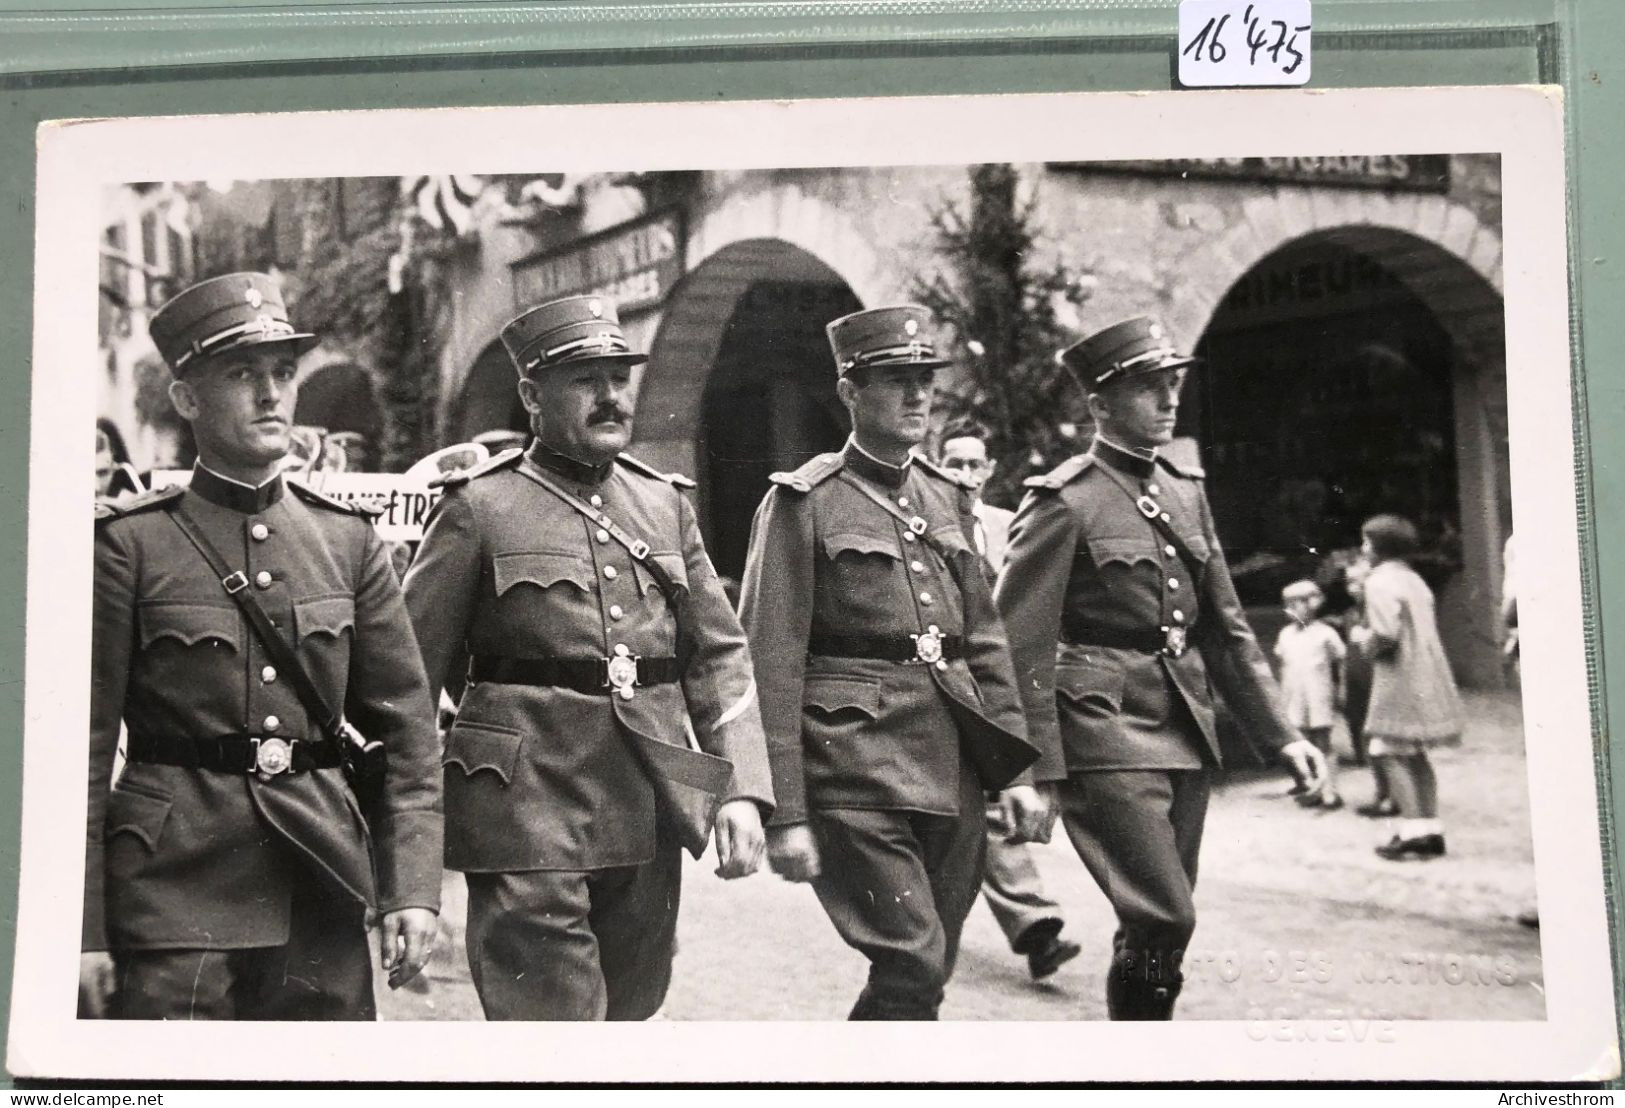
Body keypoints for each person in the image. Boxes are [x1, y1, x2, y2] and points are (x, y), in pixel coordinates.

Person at [82, 272, 443, 1020]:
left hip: (318, 880)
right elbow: (81, 753)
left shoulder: (346, 542)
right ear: (187, 399)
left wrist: (411, 889)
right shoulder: (130, 545)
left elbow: (407, 733)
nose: (272, 395)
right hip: (172, 894)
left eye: (282, 373)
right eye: (242, 375)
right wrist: (82, 928)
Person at [403, 294, 773, 1021]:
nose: (610, 396)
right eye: (585, 379)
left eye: (618, 377)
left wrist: (741, 787)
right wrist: (405, 854)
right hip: (523, 808)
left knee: (631, 1012)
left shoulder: (662, 504)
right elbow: (410, 676)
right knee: (555, 1028)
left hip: (644, 802)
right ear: (532, 397)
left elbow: (718, 655)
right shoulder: (477, 507)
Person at [996, 316, 1327, 1020]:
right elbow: (1015, 646)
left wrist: (1284, 736)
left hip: (1182, 723)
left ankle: (1138, 1053)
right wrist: (1027, 773)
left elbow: (1227, 630)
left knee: (1155, 926)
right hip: (1101, 727)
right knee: (1166, 914)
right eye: (1149, 388)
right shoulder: (1065, 500)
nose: (1168, 400)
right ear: (1099, 405)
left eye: (1172, 383)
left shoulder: (1184, 489)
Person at [738, 305, 1049, 1021]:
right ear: (850, 392)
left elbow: (986, 643)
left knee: (925, 969)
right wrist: (783, 812)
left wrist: (1019, 775)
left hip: (951, 768)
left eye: (924, 381)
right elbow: (770, 663)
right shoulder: (804, 502)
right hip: (851, 767)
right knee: (910, 955)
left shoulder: (947, 495)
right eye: (895, 381)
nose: (916, 397)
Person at [938, 425, 1082, 981]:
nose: (966, 476)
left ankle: (1031, 923)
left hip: (1006, 682)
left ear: (991, 469)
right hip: (950, 682)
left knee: (991, 800)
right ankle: (1031, 921)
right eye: (955, 463)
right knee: (974, 801)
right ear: (938, 462)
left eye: (976, 465)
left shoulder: (1007, 526)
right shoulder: (926, 526)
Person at [1349, 513, 1464, 861]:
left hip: (1399, 675)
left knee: (1388, 750)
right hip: (1425, 672)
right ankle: (1431, 828)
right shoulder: (1414, 579)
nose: (1363, 548)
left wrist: (1359, 637)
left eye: (1366, 542)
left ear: (1379, 548)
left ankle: (1412, 829)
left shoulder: (1379, 582)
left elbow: (1384, 635)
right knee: (1415, 754)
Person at [1275, 579, 1347, 811]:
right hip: (1293, 698)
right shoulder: (1285, 634)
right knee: (1300, 744)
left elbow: (1341, 662)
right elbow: (1282, 665)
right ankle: (1309, 787)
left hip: (1318, 697)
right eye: (1287, 605)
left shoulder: (1325, 633)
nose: (1291, 610)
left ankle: (1330, 791)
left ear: (1313, 604)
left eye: (1296, 604)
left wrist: (1342, 688)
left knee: (1322, 744)